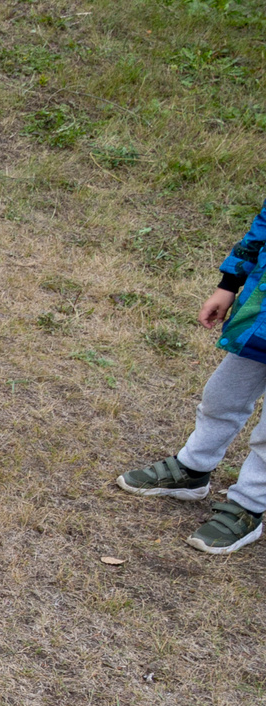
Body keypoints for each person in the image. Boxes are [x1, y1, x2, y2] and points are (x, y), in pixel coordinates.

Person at [116, 196, 266, 554]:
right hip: (261, 311)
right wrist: (229, 284)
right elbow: (261, 228)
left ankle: (249, 505)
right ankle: (193, 469)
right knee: (222, 395)